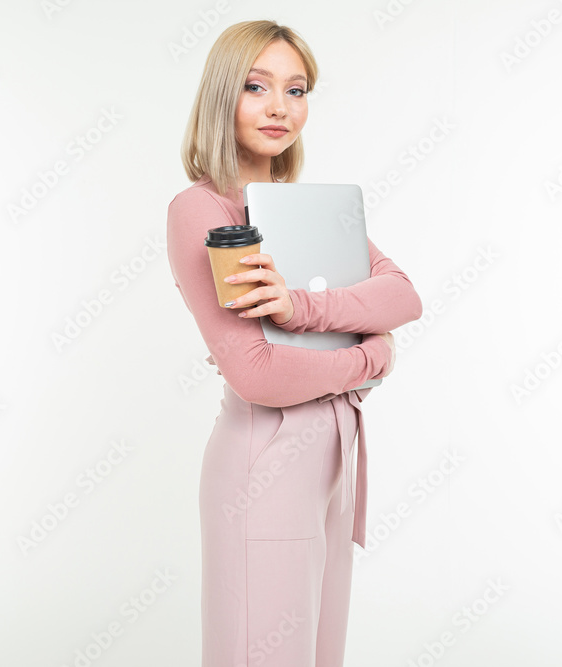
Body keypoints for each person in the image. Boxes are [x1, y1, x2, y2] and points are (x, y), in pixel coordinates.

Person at [166, 19, 423, 666]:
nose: (280, 106)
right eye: (257, 86)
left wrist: (300, 307)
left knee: (316, 654)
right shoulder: (203, 210)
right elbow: (259, 373)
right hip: (267, 461)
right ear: (224, 96)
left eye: (297, 89)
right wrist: (372, 356)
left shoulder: (301, 208)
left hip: (334, 461)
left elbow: (402, 295)